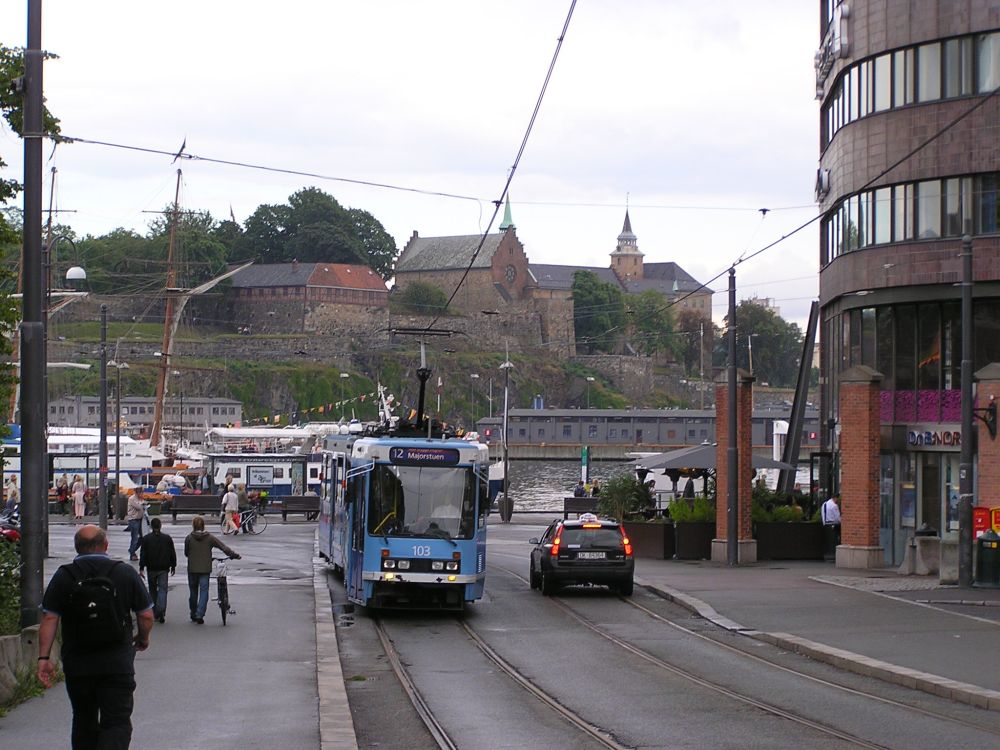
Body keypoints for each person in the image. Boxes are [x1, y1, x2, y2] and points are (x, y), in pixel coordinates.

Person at [37, 524, 153, 749]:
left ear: (77, 547)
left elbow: (50, 618)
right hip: (117, 663)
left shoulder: (64, 575)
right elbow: (146, 615)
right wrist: (142, 638)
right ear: (106, 545)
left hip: (78, 664)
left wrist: (44, 658)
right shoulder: (124, 572)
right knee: (116, 721)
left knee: (84, 720)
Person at [184, 515, 240, 624]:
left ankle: (193, 612)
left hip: (192, 568)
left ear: (193, 525)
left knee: (193, 591)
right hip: (205, 568)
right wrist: (234, 555)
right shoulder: (209, 537)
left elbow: (186, 553)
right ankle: (200, 614)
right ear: (203, 525)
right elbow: (223, 547)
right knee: (204, 591)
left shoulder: (189, 538)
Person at [138, 517, 177, 624]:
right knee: (163, 589)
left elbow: (143, 554)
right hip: (164, 568)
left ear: (151, 526)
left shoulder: (146, 539)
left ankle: (155, 610)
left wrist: (141, 567)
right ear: (160, 526)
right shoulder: (167, 538)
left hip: (151, 567)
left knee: (152, 590)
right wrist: (173, 565)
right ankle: (161, 610)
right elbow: (172, 553)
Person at [125, 489, 146, 562]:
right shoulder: (132, 499)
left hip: (140, 519)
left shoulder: (140, 499)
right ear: (137, 493)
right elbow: (139, 507)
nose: (142, 494)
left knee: (143, 537)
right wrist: (143, 503)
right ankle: (132, 554)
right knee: (135, 537)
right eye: (141, 492)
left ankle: (132, 550)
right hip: (133, 519)